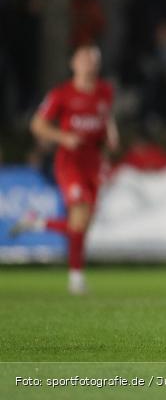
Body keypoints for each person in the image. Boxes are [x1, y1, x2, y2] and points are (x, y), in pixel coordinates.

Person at [9, 44, 118, 295]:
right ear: (74, 64)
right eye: (84, 58)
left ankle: (37, 223)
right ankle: (76, 279)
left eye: (93, 59)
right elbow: (37, 125)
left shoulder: (105, 91)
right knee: (78, 216)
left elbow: (107, 117)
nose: (89, 63)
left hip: (94, 162)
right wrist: (63, 137)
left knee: (81, 225)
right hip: (71, 162)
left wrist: (112, 135)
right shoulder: (62, 94)